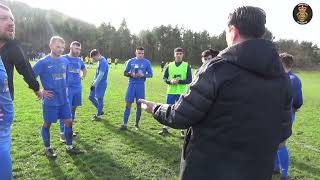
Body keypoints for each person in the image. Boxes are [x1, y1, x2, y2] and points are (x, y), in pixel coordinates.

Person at [139, 6, 292, 180]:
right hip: (256, 171)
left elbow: (180, 116)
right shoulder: (281, 77)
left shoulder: (216, 69)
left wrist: (155, 108)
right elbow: (283, 132)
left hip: (207, 170)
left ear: (232, 31)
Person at [33, 36, 83, 158]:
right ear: (50, 46)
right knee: (47, 124)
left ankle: (70, 147)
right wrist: (39, 91)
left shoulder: (65, 61)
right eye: (57, 46)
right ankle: (48, 148)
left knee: (68, 122)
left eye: (62, 47)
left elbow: (65, 76)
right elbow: (30, 77)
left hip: (64, 100)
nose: (60, 49)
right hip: (50, 100)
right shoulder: (43, 62)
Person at [0, 4, 41, 101]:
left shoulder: (13, 46)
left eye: (12, 19)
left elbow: (24, 66)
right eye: (4, 18)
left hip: (5, 103)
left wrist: (36, 88)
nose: (11, 23)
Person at [274, 53, 303, 180]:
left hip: (281, 116)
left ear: (281, 64)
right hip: (285, 114)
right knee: (277, 143)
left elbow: (296, 101)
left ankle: (284, 174)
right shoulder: (294, 79)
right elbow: (298, 101)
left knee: (280, 143)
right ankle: (275, 168)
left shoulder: (286, 79)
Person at [158, 47, 192, 137]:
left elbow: (189, 80)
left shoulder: (186, 65)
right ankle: (165, 128)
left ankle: (182, 130)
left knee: (182, 111)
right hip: (171, 92)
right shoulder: (169, 65)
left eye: (180, 54)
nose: (178, 55)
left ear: (182, 55)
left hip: (182, 92)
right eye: (177, 54)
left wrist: (179, 81)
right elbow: (164, 78)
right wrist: (170, 81)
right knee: (167, 109)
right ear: (174, 54)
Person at [118, 47, 153, 131]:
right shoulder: (131, 61)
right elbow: (125, 72)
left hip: (140, 86)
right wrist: (131, 74)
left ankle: (136, 124)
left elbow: (151, 74)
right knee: (128, 104)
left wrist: (143, 75)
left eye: (142, 53)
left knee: (139, 105)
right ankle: (124, 124)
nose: (141, 55)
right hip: (131, 85)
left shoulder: (147, 62)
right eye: (139, 53)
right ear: (136, 53)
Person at [59, 41, 87, 143]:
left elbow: (84, 70)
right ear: (71, 48)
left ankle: (69, 129)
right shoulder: (63, 58)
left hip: (77, 88)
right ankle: (62, 133)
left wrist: (82, 76)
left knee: (73, 109)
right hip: (66, 89)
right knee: (65, 110)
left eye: (79, 49)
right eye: (76, 49)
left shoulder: (79, 60)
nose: (78, 51)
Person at [89, 49, 108, 121]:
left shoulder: (103, 62)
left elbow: (101, 75)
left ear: (97, 55)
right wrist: (93, 83)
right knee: (91, 97)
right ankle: (100, 110)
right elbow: (96, 74)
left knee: (100, 99)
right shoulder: (99, 62)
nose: (93, 60)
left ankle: (98, 115)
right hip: (95, 83)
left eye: (94, 58)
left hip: (101, 84)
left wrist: (94, 84)